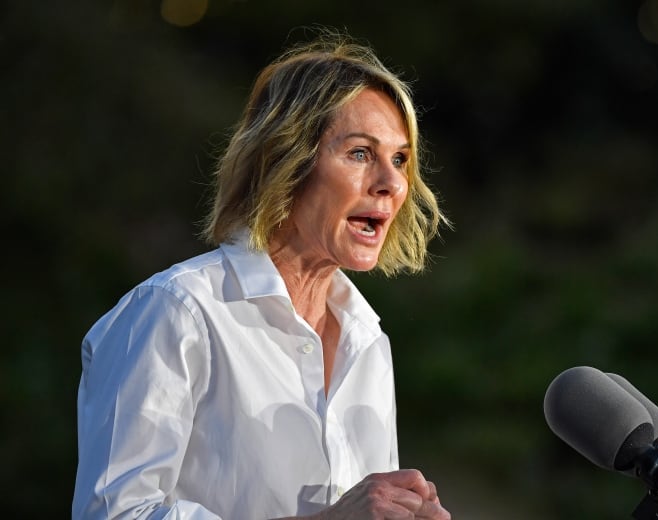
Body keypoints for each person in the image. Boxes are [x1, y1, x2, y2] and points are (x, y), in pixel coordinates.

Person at [72, 30, 451, 520]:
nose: (393, 182)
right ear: (285, 160)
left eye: (400, 159)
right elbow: (113, 513)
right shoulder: (177, 312)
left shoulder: (368, 341)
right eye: (360, 153)